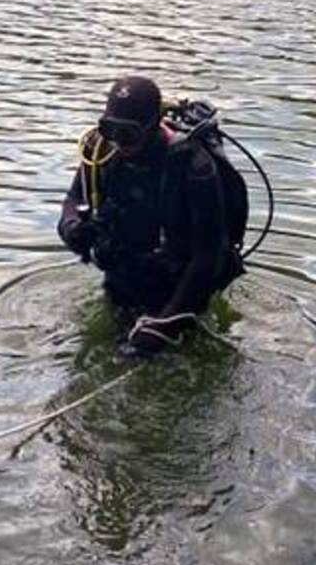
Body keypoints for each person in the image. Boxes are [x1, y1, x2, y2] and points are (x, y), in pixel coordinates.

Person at [58, 75, 244, 356]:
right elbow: (74, 198)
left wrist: (166, 323)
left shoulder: (192, 165)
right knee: (106, 356)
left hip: (181, 286)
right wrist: (71, 227)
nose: (118, 142)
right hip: (124, 277)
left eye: (128, 134)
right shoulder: (101, 149)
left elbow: (209, 255)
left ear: (153, 124)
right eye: (111, 129)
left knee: (177, 363)